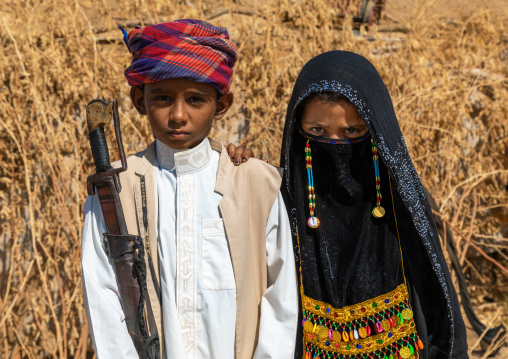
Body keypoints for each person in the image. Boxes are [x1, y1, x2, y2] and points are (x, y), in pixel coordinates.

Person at [81, 19, 298, 359]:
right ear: (140, 100)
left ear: (221, 106)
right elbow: (102, 293)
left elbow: (281, 296)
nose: (178, 115)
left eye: (196, 100)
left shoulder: (256, 184)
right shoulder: (114, 193)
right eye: (163, 98)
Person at [237, 50, 468, 358]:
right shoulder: (282, 198)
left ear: (374, 130)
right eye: (317, 131)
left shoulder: (401, 199)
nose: (335, 144)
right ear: (297, 128)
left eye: (352, 132)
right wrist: (236, 168)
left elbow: (435, 299)